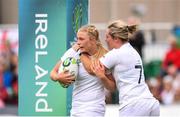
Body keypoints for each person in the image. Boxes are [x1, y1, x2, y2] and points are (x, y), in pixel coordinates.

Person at [80, 20, 160, 116]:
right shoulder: (133, 51)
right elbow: (112, 87)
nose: (105, 40)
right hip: (151, 103)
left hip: (133, 105)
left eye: (107, 37)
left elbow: (91, 69)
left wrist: (81, 52)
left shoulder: (116, 53)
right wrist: (103, 77)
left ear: (116, 38)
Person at [50, 25, 116, 117]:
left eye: (81, 39)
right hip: (76, 109)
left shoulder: (105, 56)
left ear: (92, 40)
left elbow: (112, 87)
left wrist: (103, 77)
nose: (78, 42)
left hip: (94, 109)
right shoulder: (73, 52)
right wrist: (58, 77)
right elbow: (53, 73)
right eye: (77, 39)